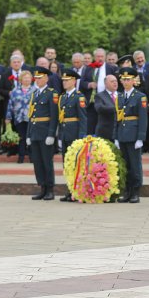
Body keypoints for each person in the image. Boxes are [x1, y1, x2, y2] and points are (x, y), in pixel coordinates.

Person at [114, 68, 148, 204]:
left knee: (135, 165)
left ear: (134, 80)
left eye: (129, 79)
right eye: (124, 79)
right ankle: (127, 191)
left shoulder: (140, 96)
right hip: (122, 134)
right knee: (125, 164)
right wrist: (115, 136)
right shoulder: (120, 96)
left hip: (133, 135)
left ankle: (135, 191)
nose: (126, 82)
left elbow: (143, 118)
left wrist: (140, 137)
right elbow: (117, 118)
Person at [26, 67, 59, 201]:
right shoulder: (34, 94)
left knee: (46, 161)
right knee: (37, 162)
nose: (37, 80)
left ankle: (50, 189)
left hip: (45, 132)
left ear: (46, 78)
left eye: (40, 78)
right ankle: (42, 187)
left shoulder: (52, 93)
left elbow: (54, 115)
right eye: (36, 78)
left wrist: (51, 134)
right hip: (34, 132)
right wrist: (28, 134)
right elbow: (31, 116)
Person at [57, 69, 88, 202]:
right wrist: (59, 136)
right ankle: (70, 190)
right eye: (63, 80)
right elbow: (61, 118)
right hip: (65, 134)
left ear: (74, 81)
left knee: (76, 164)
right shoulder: (63, 97)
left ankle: (77, 191)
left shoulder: (79, 97)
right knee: (67, 163)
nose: (64, 82)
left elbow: (83, 118)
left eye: (67, 80)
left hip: (74, 133)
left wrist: (81, 136)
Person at [5, 70, 35, 163]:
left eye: (28, 78)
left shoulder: (35, 90)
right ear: (21, 80)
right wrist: (8, 117)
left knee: (30, 137)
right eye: (24, 78)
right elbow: (10, 104)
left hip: (31, 118)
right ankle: (21, 157)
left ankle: (32, 157)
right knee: (21, 137)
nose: (26, 80)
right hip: (19, 118)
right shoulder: (15, 91)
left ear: (31, 79)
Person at [93, 75, 119, 141]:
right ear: (105, 84)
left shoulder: (122, 95)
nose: (115, 83)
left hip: (119, 132)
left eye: (116, 81)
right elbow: (99, 108)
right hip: (105, 132)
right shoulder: (100, 96)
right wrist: (117, 108)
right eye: (112, 81)